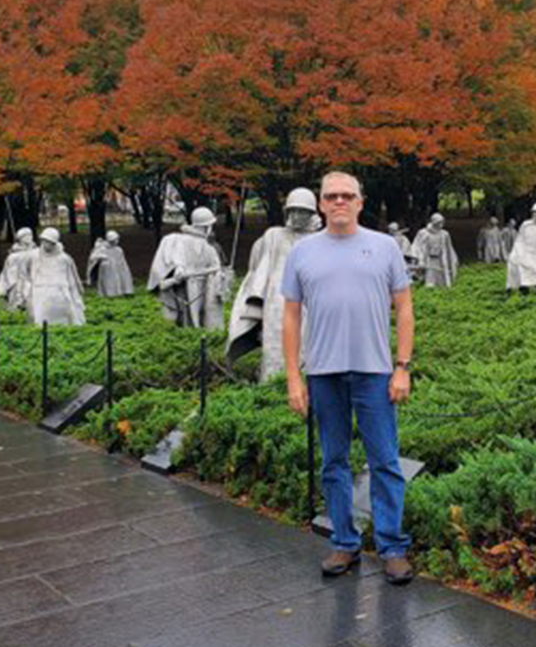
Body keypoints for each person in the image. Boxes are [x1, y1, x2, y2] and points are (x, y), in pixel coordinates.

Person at [281, 171, 415, 585]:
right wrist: (293, 377)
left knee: (385, 462)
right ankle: (344, 541)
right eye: (331, 196)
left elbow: (405, 308)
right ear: (320, 204)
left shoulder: (384, 247)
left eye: (347, 195)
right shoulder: (302, 253)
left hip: (375, 372)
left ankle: (392, 546)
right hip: (324, 373)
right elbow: (290, 316)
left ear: (360, 202)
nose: (339, 201)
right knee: (333, 462)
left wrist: (402, 366)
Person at [226, 188, 321, 381]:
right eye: (293, 211)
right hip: (277, 301)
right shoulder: (274, 235)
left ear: (312, 213)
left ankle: (305, 388)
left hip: (310, 301)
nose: (297, 216)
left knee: (308, 345)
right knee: (275, 346)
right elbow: (256, 266)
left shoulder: (321, 240)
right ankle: (271, 386)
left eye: (302, 211)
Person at [147, 206, 225, 329]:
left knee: (197, 316)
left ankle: (194, 334)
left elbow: (217, 268)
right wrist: (180, 272)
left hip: (203, 286)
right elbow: (178, 265)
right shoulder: (177, 240)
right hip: (186, 286)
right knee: (188, 316)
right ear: (207, 227)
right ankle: (190, 334)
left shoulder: (207, 248)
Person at [25, 228, 85, 325]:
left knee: (64, 318)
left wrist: (76, 291)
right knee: (41, 319)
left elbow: (72, 278)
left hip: (59, 292)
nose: (46, 244)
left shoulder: (64, 258)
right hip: (40, 291)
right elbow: (25, 272)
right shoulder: (34, 256)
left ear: (54, 243)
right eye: (44, 241)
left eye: (49, 242)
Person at [411, 213, 458, 287]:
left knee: (442, 280)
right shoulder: (423, 233)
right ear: (434, 222)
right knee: (430, 280)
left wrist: (452, 261)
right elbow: (417, 247)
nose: (441, 225)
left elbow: (449, 249)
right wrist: (420, 260)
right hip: (429, 260)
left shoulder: (444, 234)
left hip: (440, 260)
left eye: (442, 222)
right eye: (439, 223)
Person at [0, 227, 35, 310]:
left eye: (30, 235)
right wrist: (1, 289)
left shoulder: (36, 253)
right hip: (15, 287)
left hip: (32, 285)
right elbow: (4, 274)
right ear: (20, 239)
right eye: (26, 236)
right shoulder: (12, 257)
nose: (29, 237)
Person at [86, 231, 134, 297]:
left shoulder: (118, 250)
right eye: (116, 239)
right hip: (107, 269)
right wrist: (101, 257)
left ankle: (120, 291)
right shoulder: (102, 248)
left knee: (118, 279)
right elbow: (93, 257)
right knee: (108, 282)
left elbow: (122, 261)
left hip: (117, 268)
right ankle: (108, 293)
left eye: (117, 239)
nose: (117, 241)